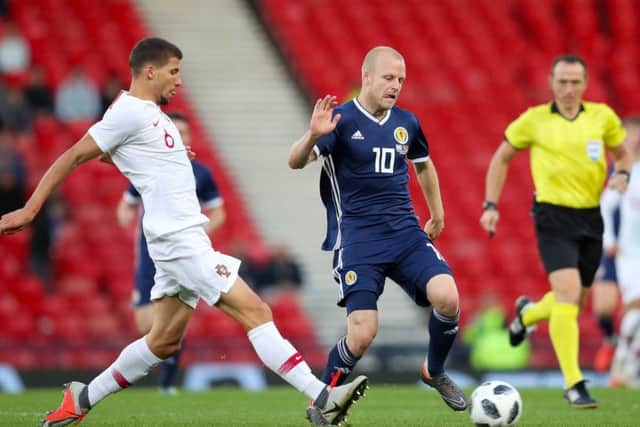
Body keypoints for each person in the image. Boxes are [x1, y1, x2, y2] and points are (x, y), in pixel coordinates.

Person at [0, 37, 368, 427]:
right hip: (179, 241)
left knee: (163, 342)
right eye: (174, 72)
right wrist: (31, 208)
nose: (178, 81)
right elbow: (76, 153)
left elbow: (117, 154)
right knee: (256, 310)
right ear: (150, 71)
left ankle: (81, 398)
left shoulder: (149, 115)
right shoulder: (127, 111)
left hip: (179, 241)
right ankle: (322, 396)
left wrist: (168, 158)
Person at [288, 46, 467, 424]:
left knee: (448, 297)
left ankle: (433, 371)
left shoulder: (408, 123)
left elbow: (424, 166)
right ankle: (321, 401)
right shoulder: (339, 120)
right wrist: (311, 135)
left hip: (404, 233)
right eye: (388, 78)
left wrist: (437, 213)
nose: (396, 86)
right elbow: (295, 161)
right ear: (366, 76)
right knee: (363, 334)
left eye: (401, 79)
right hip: (359, 240)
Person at [479, 54, 631, 408]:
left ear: (585, 83)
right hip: (552, 216)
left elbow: (622, 155)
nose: (568, 89)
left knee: (573, 302)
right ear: (551, 82)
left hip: (591, 219)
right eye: (562, 81)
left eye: (575, 82)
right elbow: (501, 157)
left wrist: (622, 173)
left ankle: (527, 315)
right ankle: (574, 383)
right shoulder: (534, 120)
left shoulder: (602, 117)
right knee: (567, 294)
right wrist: (490, 205)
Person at [116, 111, 226, 394]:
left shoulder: (201, 173)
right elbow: (127, 202)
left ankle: (166, 385)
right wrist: (125, 214)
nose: (181, 137)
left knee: (169, 322)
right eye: (175, 132)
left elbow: (219, 212)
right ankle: (169, 352)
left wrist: (196, 235)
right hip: (149, 255)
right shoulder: (151, 168)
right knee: (145, 323)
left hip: (181, 253)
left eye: (185, 132)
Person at [601, 116, 640, 388]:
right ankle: (623, 364)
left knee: (635, 310)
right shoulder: (623, 172)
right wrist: (609, 239)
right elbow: (606, 204)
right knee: (633, 306)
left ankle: (627, 366)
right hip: (629, 252)